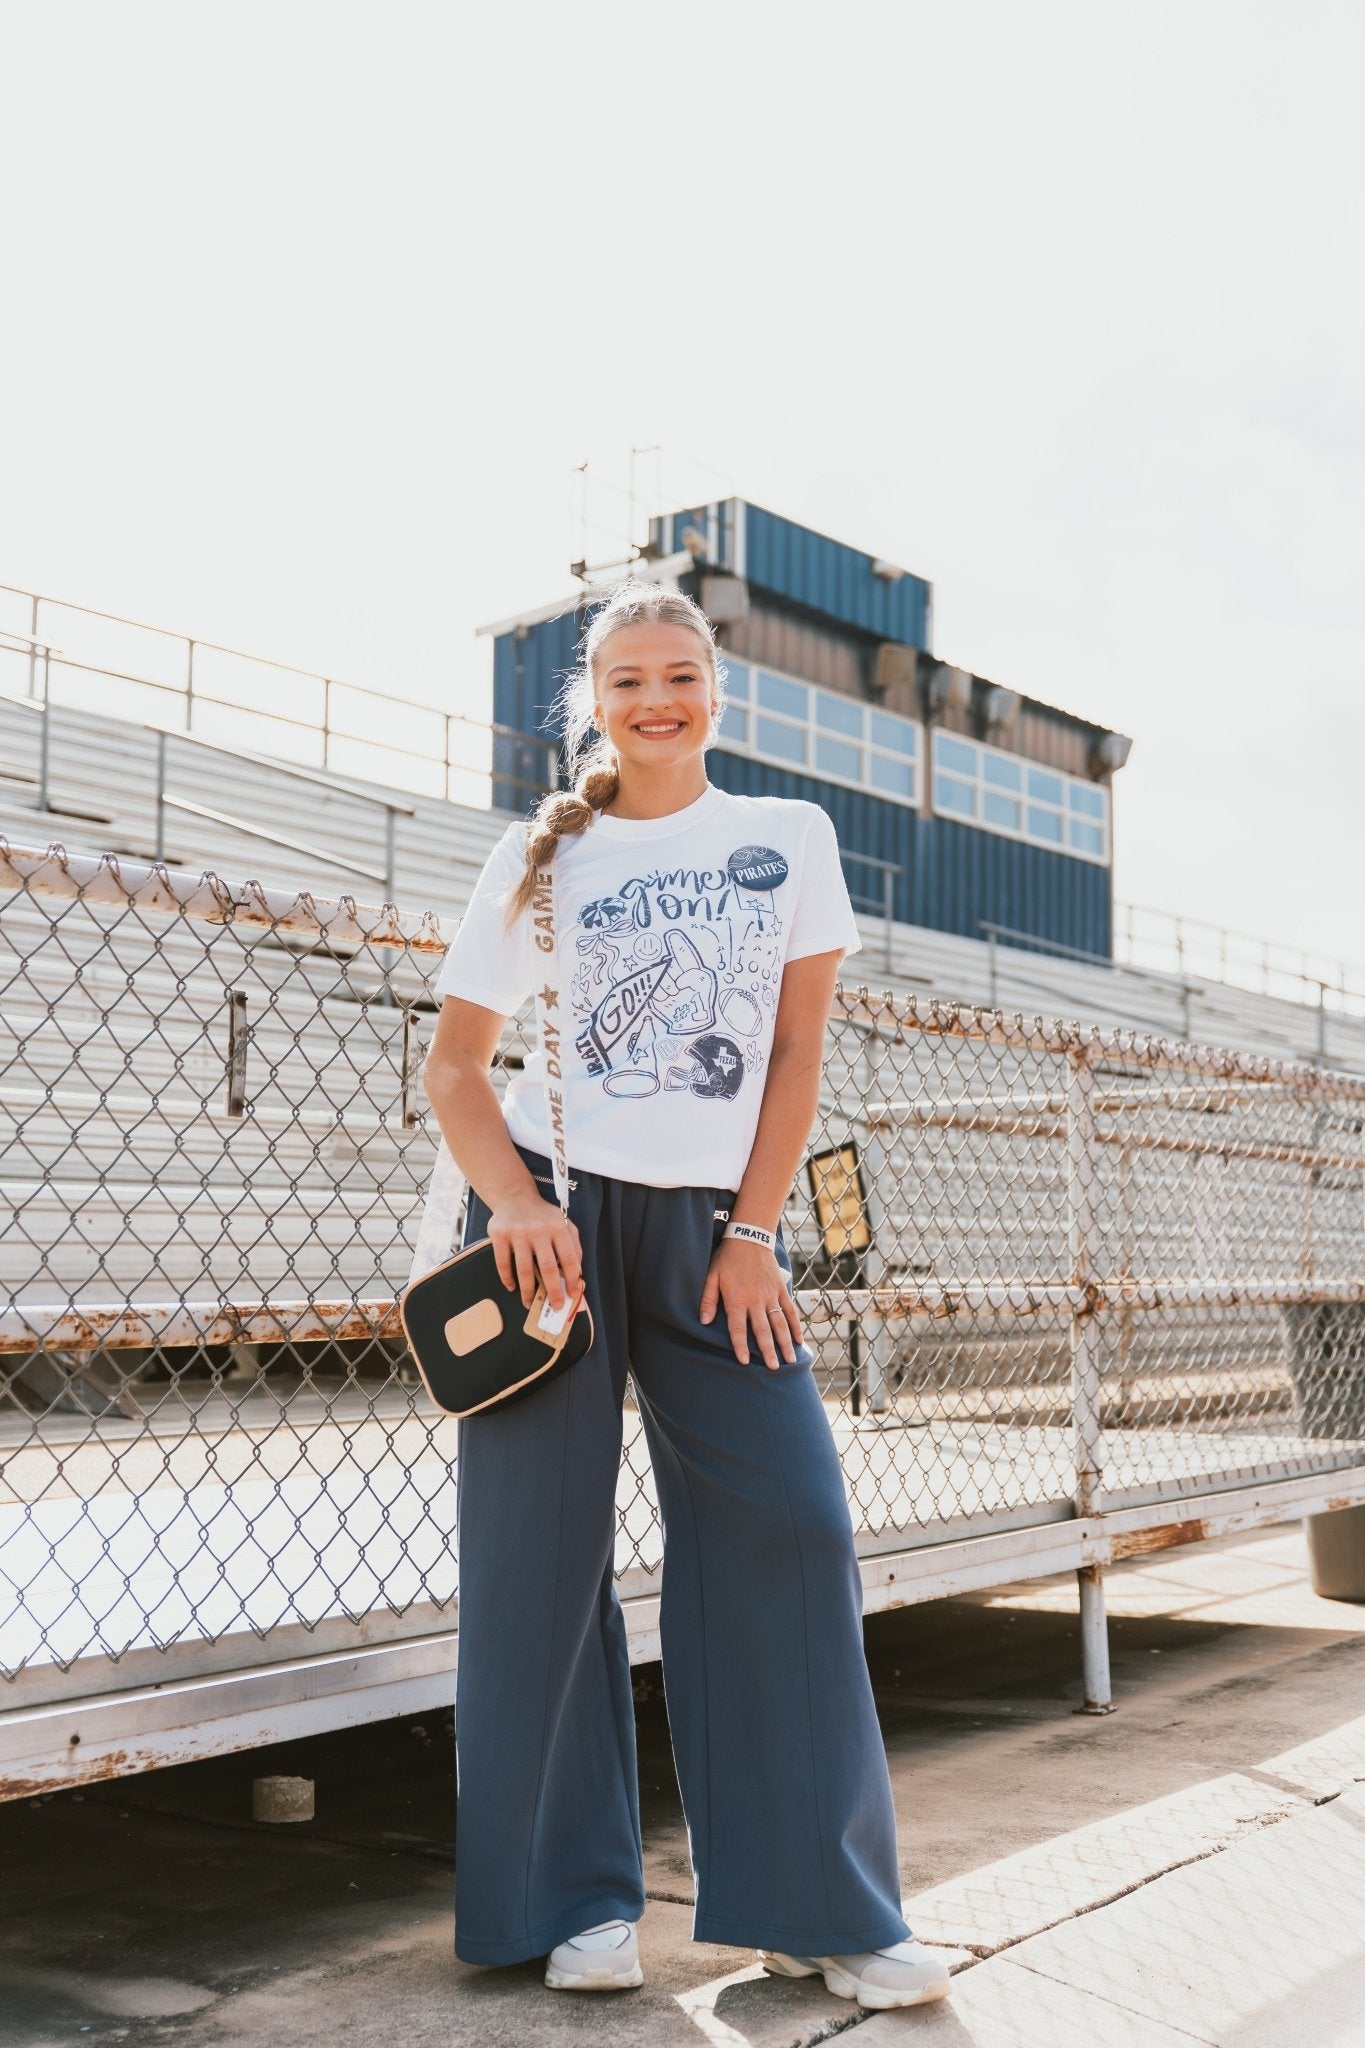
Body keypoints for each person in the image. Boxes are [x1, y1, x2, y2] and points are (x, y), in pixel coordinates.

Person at [422, 580, 951, 2012]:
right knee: (537, 1559)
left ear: (718, 689)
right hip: (550, 1224)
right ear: (590, 702)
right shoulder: (540, 853)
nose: (654, 700)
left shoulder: (786, 838)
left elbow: (794, 1057)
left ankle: (819, 1909)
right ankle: (571, 1906)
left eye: (678, 676)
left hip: (719, 1230)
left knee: (792, 1528)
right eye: (626, 681)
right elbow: (456, 1070)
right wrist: (517, 1204)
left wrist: (756, 1231)